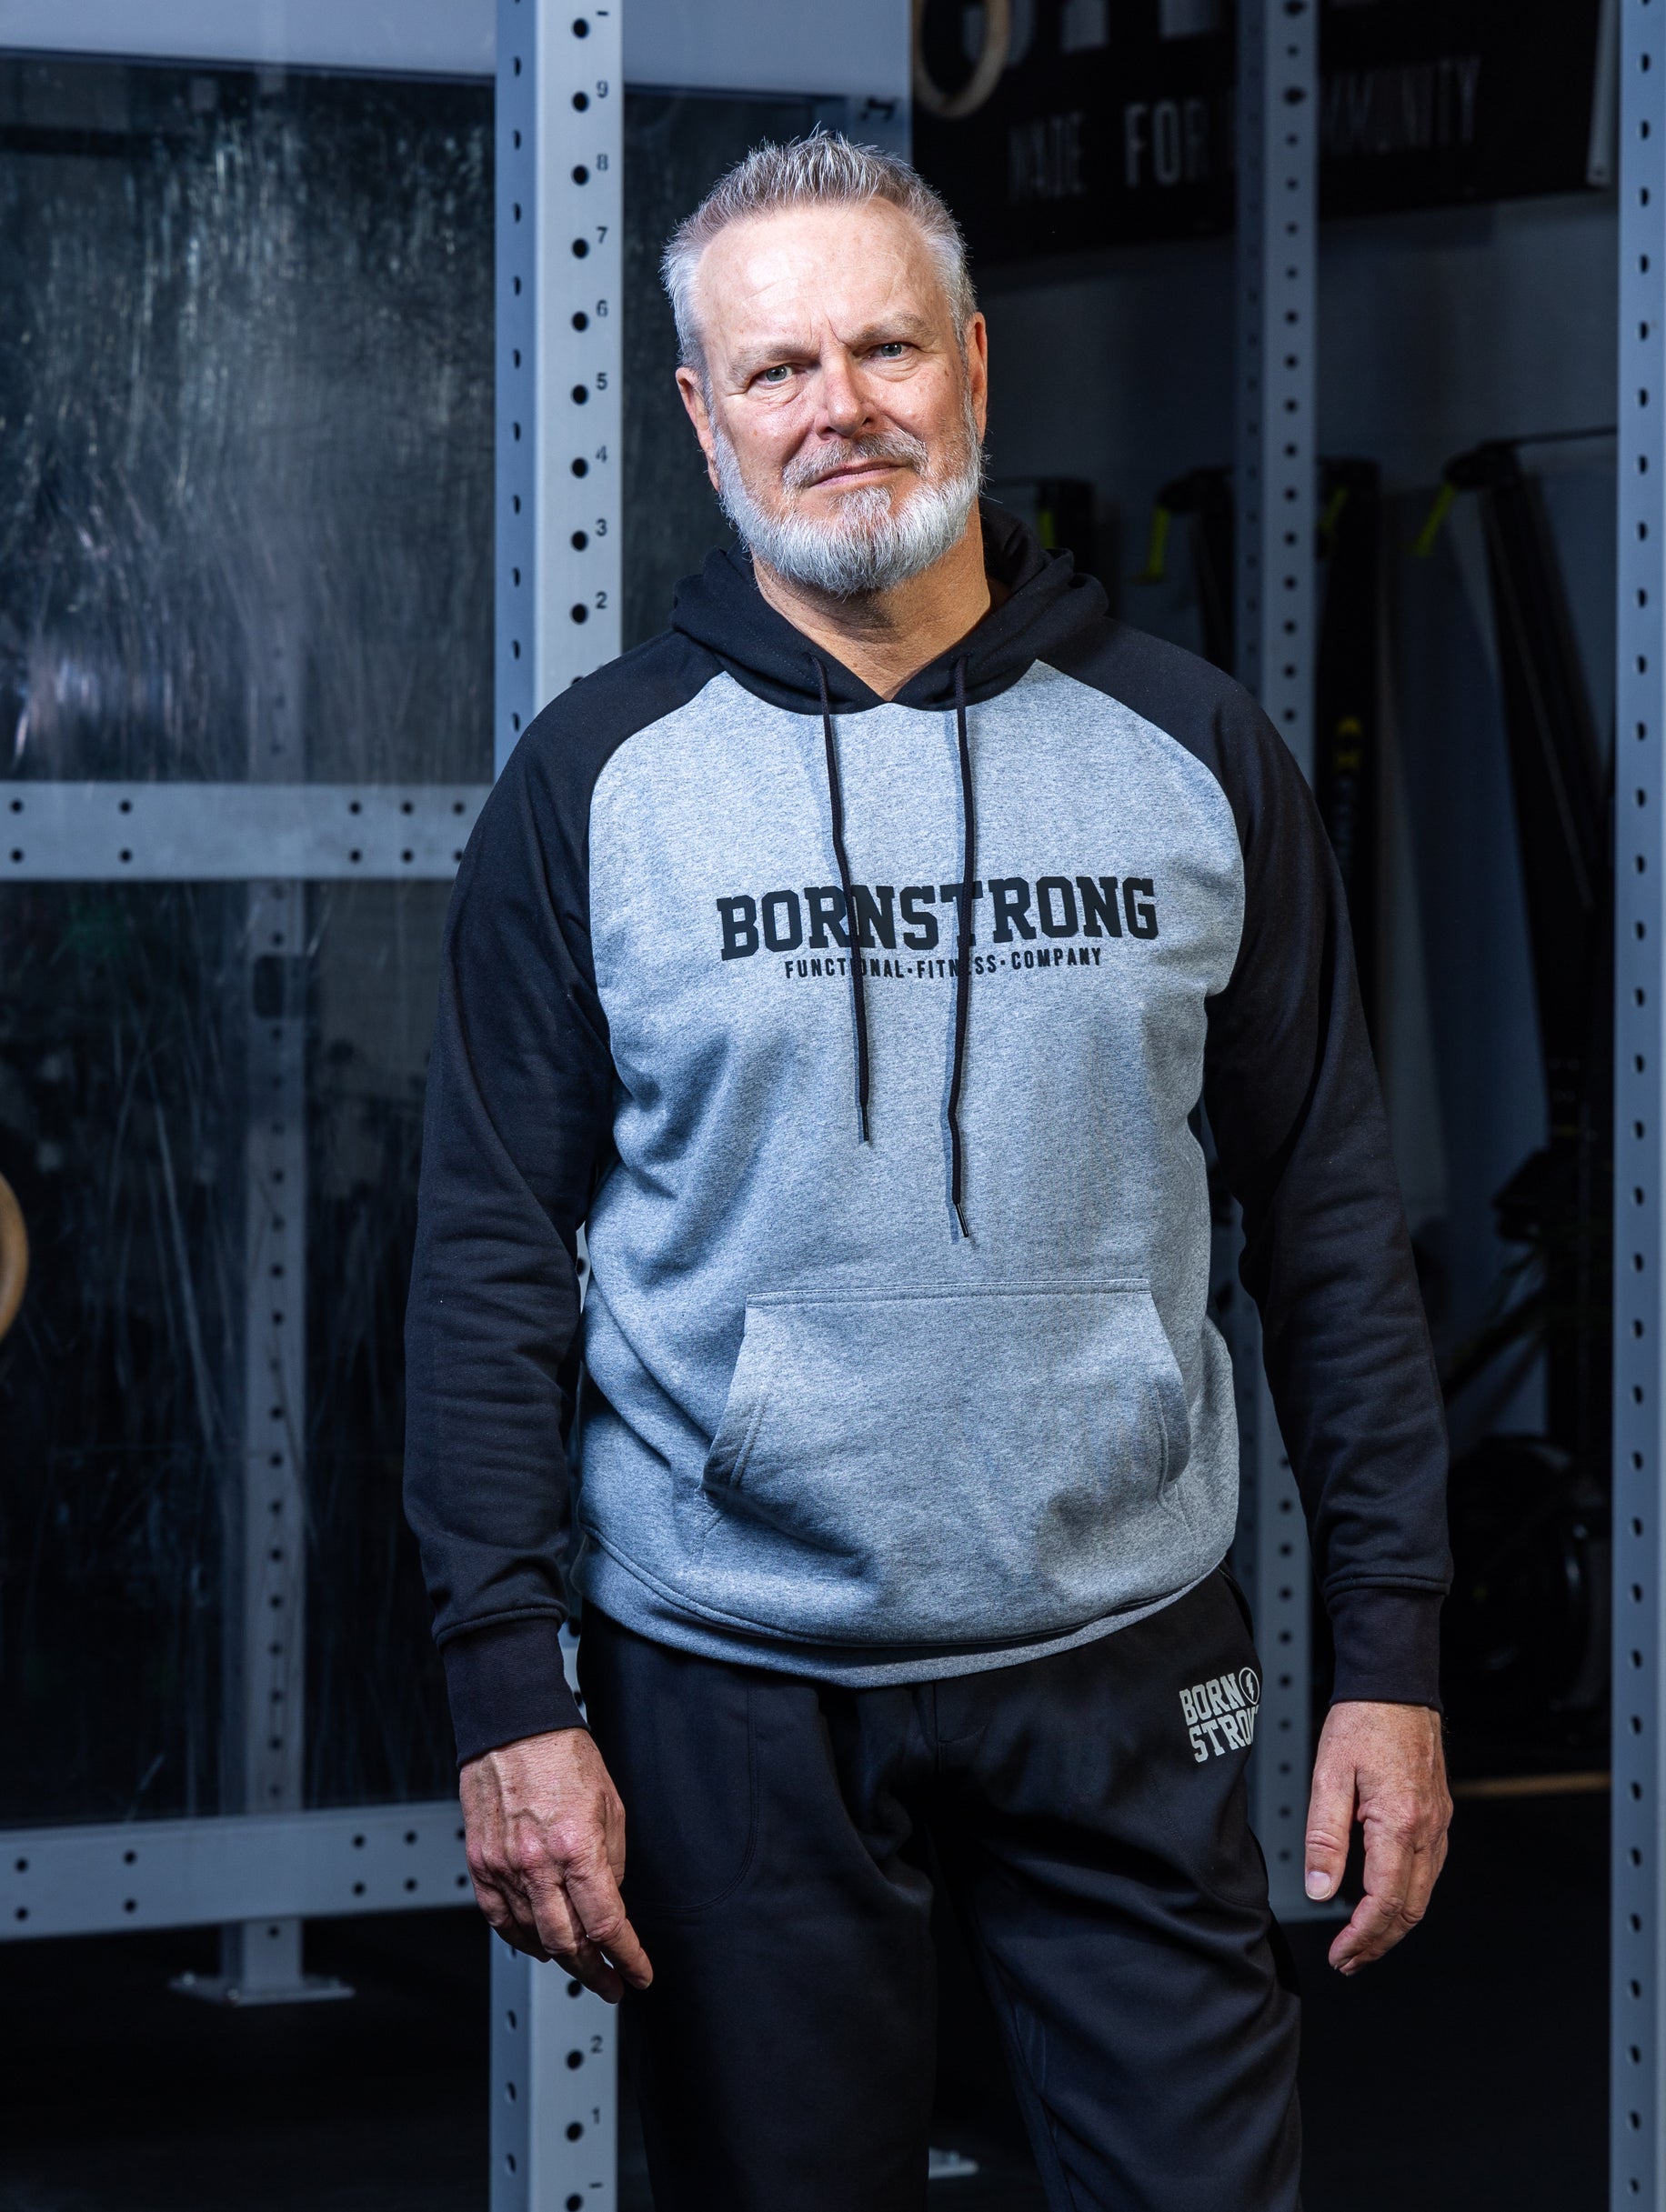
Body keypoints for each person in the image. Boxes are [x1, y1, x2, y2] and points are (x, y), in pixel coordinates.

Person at [405, 132, 1451, 2211]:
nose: (839, 408)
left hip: (1130, 1648)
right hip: (736, 1668)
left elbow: (1332, 1223)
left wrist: (1395, 1652)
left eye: (883, 347)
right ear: (701, 415)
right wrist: (505, 1681)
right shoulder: (596, 785)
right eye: (776, 368)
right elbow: (489, 1252)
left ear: (971, 364)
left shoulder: (1192, 754)